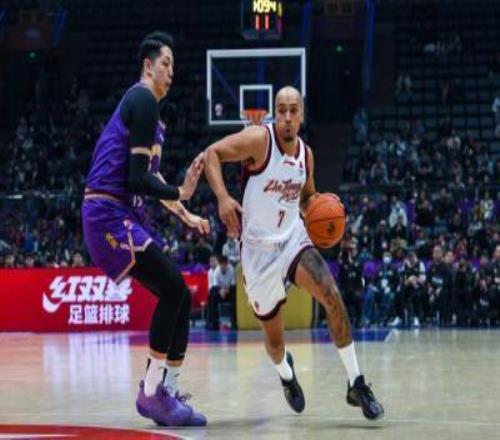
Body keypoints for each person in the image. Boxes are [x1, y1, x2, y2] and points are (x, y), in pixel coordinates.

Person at [204, 86, 384, 420]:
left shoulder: (306, 155)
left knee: (331, 294)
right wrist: (223, 197)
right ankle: (286, 375)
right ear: (275, 113)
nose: (287, 117)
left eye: (293, 111)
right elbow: (211, 154)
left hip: (292, 240)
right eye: (282, 110)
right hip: (257, 253)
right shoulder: (259, 140)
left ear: (301, 115)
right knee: (275, 342)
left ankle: (356, 383)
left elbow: (306, 198)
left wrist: (323, 210)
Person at [81, 31, 208, 426]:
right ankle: (151, 393)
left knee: (180, 295)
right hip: (107, 212)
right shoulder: (143, 99)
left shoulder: (149, 112)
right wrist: (182, 190)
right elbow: (137, 180)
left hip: (120, 213)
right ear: (147, 66)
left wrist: (185, 212)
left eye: (173, 66)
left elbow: (150, 176)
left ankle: (165, 390)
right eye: (165, 63)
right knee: (172, 287)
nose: (171, 71)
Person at [206, 255, 237, 330]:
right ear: (219, 264)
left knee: (235, 295)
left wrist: (226, 290)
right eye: (222, 264)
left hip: (229, 292)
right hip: (220, 292)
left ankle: (234, 322)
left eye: (225, 264)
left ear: (227, 264)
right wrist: (220, 291)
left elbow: (233, 284)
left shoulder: (231, 270)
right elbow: (215, 286)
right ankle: (214, 323)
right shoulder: (216, 271)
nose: (223, 266)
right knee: (212, 295)